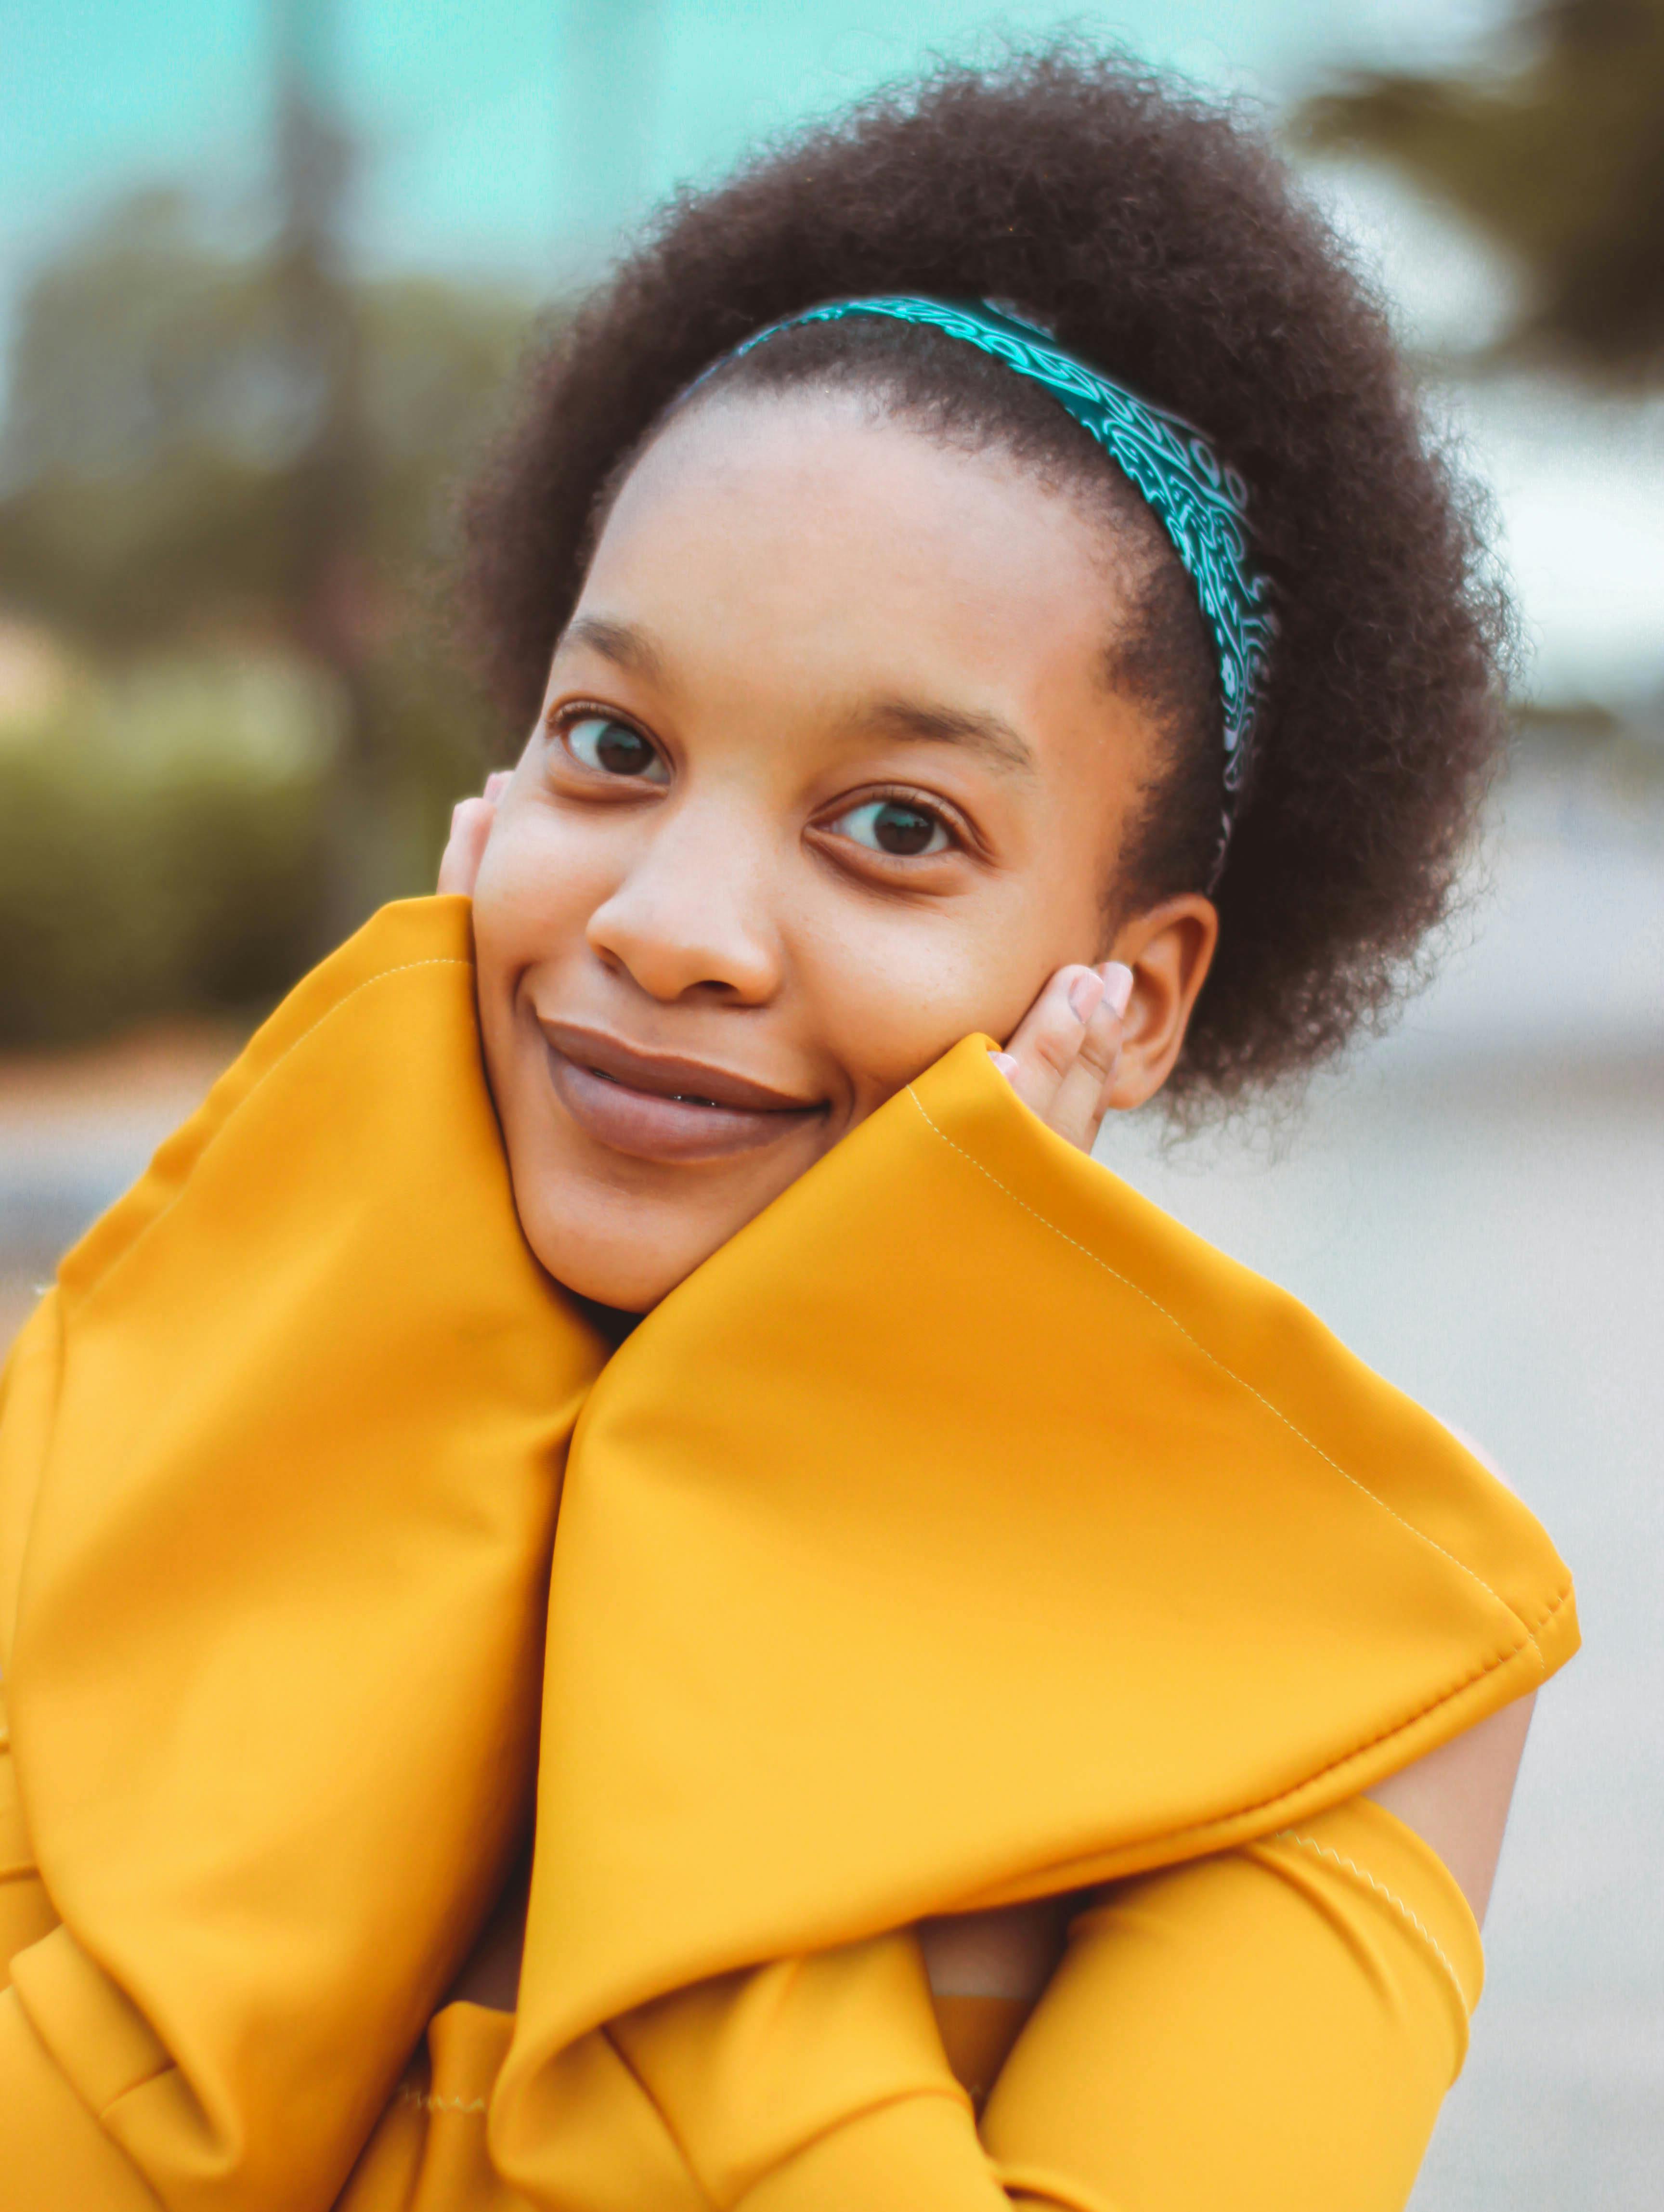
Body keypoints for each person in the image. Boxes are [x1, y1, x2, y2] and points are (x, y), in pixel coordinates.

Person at [0, 49, 1575, 2212]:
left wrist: (761, 1520)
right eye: (612, 745)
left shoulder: (1355, 1676)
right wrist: (403, 1382)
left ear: (1134, 991)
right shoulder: (121, 1423)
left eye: (897, 826)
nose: (669, 925)